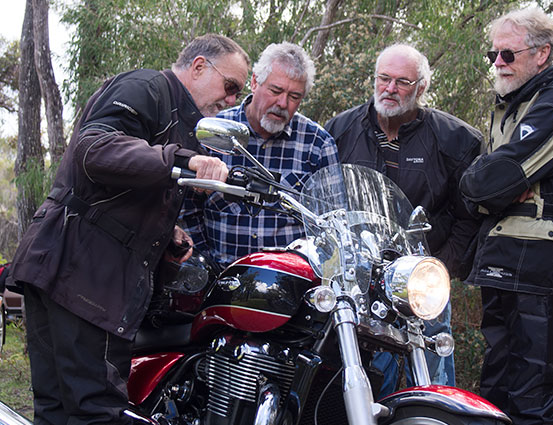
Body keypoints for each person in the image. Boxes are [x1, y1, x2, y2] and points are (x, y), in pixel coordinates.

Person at [7, 34, 250, 424]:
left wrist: (168, 232)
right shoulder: (148, 87)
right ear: (200, 66)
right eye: (231, 86)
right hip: (84, 275)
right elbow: (95, 148)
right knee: (97, 410)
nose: (232, 100)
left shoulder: (181, 117)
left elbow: (121, 188)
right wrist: (183, 160)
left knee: (57, 411)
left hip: (66, 266)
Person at [459, 7, 553, 424]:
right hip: (503, 253)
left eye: (508, 54)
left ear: (542, 53)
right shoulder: (513, 100)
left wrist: (489, 190)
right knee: (495, 391)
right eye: (493, 56)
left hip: (544, 258)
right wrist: (489, 191)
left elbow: (492, 180)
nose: (498, 63)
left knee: (535, 396)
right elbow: (485, 185)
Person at [324, 43, 483, 395]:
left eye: (402, 82)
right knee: (362, 377)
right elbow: (321, 200)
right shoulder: (339, 131)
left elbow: (469, 216)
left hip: (421, 282)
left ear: (422, 87)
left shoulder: (456, 140)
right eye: (383, 78)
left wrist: (440, 268)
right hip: (358, 280)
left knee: (433, 377)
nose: (390, 89)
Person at [180, 42, 339, 268]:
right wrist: (205, 265)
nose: (282, 103)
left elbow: (331, 225)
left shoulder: (318, 144)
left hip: (289, 283)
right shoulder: (214, 130)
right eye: (275, 91)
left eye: (294, 96)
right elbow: (187, 208)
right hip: (220, 280)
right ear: (255, 82)